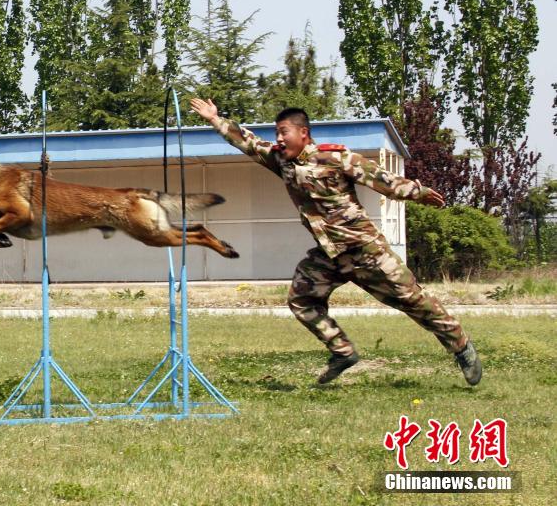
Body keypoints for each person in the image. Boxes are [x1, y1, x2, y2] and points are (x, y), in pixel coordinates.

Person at [189, 97, 482, 386]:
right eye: (277, 133)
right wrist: (215, 119)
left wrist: (418, 193)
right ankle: (342, 351)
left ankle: (461, 346)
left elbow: (382, 179)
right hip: (330, 255)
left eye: (284, 132)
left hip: (366, 251)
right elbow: (249, 142)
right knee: (302, 299)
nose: (279, 138)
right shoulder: (281, 160)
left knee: (414, 302)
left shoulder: (336, 158)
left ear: (303, 133)